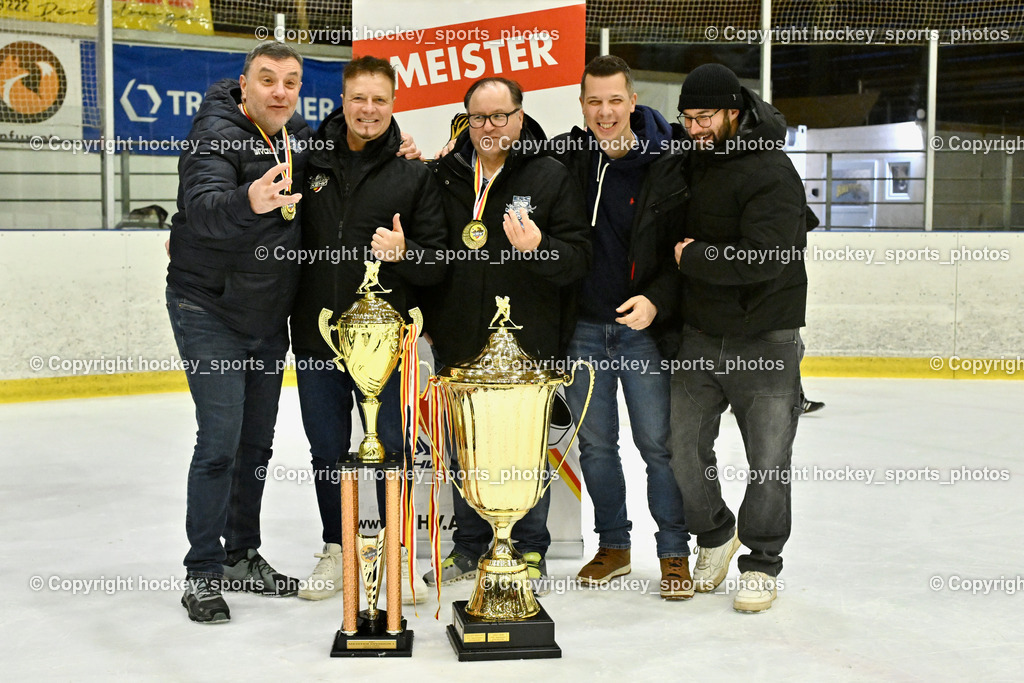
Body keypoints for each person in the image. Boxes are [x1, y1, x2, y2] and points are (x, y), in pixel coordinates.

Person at [422, 77, 590, 590]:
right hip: (460, 340)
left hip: (528, 341)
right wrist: (430, 319)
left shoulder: (551, 175)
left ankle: (531, 547)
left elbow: (578, 259)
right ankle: (469, 547)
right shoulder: (445, 175)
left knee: (525, 449)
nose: (489, 126)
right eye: (479, 118)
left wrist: (539, 247)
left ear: (519, 116)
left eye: (500, 116)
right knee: (464, 446)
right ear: (465, 121)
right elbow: (430, 252)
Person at [288, 56, 445, 603]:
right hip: (319, 338)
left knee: (393, 449)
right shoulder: (309, 161)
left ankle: (398, 555)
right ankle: (338, 549)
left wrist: (405, 252)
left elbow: (438, 261)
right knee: (327, 449)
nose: (369, 110)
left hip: (385, 344)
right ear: (343, 100)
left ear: (394, 103)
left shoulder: (414, 173)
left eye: (380, 99)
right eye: (359, 98)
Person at [166, 41, 311, 624]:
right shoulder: (215, 133)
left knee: (256, 444)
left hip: (266, 315)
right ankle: (202, 572)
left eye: (291, 82)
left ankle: (241, 555)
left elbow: (346, 151)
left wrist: (397, 144)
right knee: (220, 442)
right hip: (209, 308)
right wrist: (247, 200)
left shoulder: (294, 134)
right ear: (244, 84)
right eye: (268, 79)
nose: (280, 91)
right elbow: (201, 206)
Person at [669, 63, 812, 613]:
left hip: (766, 339)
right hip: (701, 335)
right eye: (687, 118)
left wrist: (695, 257)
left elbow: (768, 257)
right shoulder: (693, 159)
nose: (694, 128)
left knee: (768, 462)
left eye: (704, 117)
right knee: (682, 450)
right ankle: (714, 534)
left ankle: (762, 563)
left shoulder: (773, 171)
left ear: (733, 112)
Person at [550, 56, 694, 599]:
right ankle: (613, 545)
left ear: (633, 101)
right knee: (596, 448)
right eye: (595, 101)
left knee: (659, 446)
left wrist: (657, 300)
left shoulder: (670, 162)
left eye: (615, 100)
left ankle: (674, 552)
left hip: (642, 331)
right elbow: (508, 145)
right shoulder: (570, 158)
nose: (605, 112)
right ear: (582, 105)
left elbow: (683, 250)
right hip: (584, 330)